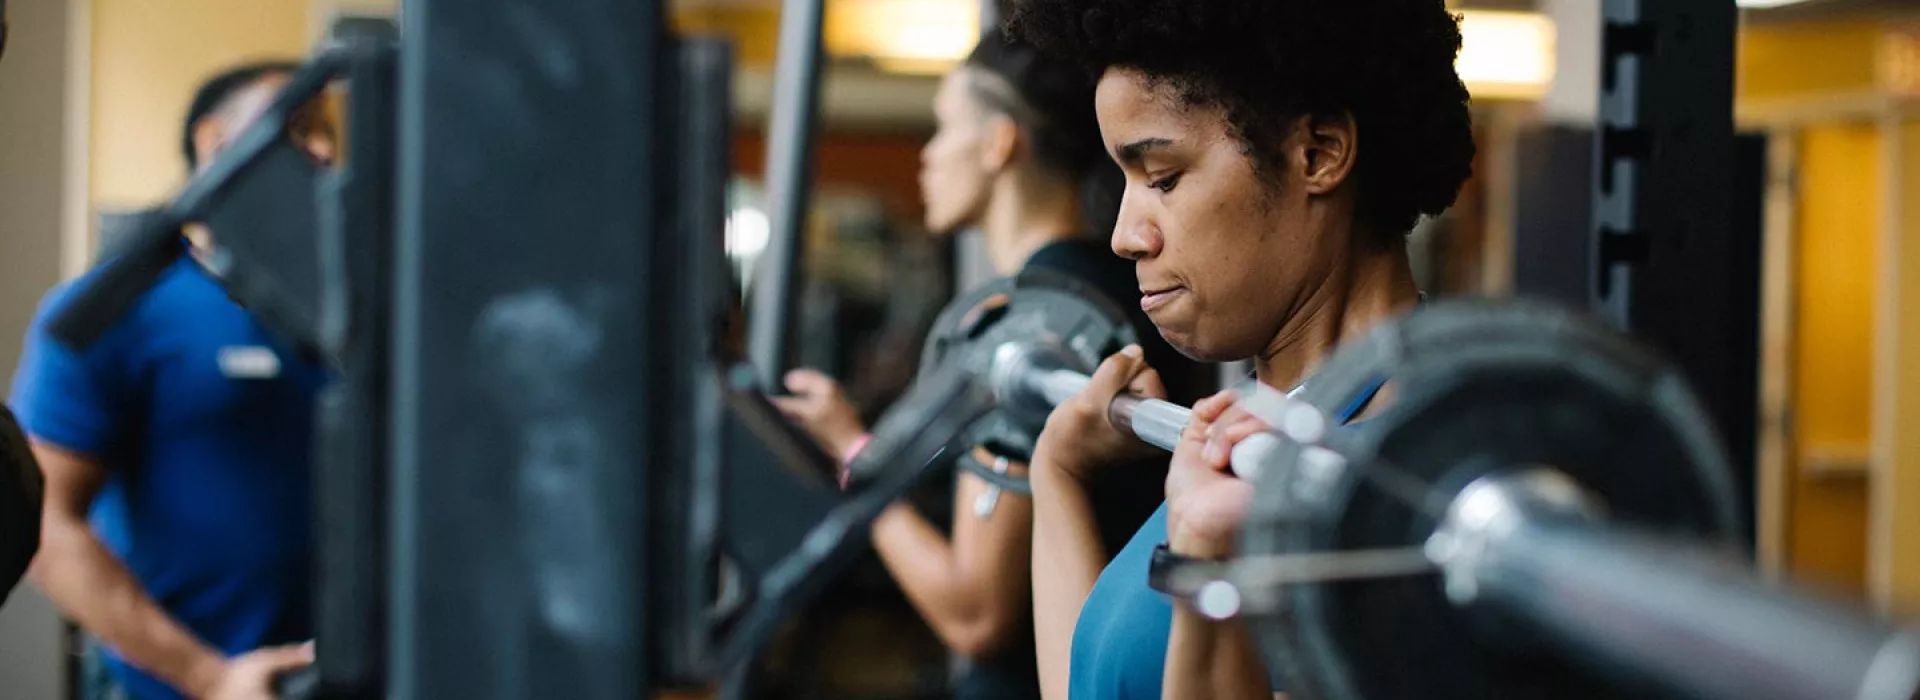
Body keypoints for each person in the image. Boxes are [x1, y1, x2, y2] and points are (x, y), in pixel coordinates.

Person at [1004, 1, 1478, 698]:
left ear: (1318, 154)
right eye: (1126, 183)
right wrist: (1059, 474)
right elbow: (1093, 683)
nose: (1126, 235)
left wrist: (1203, 561)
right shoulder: (1242, 441)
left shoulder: (1392, 488)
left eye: (1162, 178)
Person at [772, 30, 1213, 700]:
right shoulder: (1114, 284)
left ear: (999, 142)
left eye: (944, 129)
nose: (926, 157)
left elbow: (974, 613)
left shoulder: (1040, 321)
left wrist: (849, 449)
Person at [12, 59, 338, 700]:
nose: (326, 151)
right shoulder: (125, 306)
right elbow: (45, 526)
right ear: (215, 144)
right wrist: (210, 678)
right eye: (301, 128)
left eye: (328, 132)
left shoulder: (357, 313)